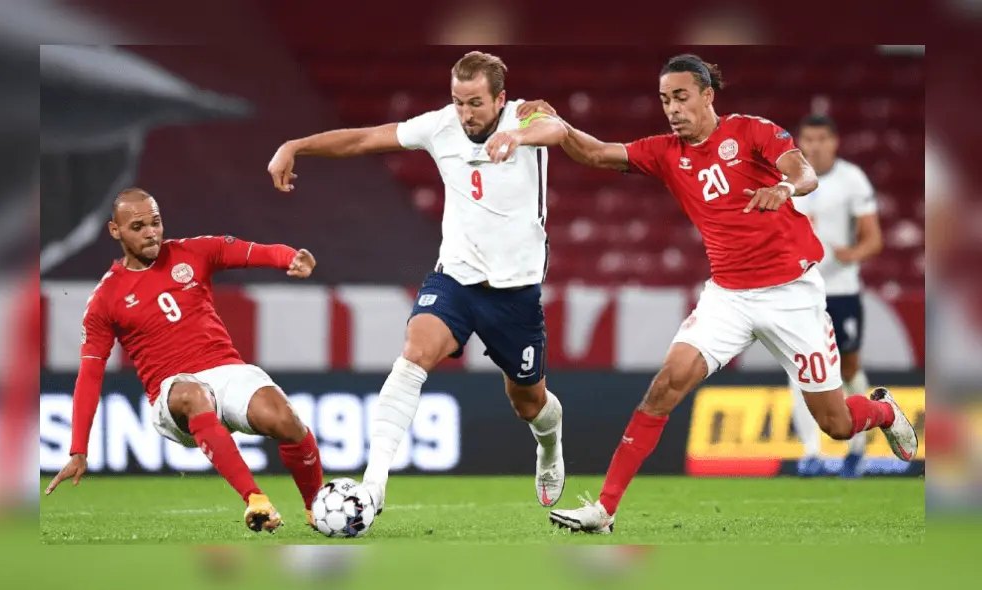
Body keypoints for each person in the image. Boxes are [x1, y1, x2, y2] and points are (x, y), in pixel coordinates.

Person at [516, 53, 918, 534]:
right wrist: (557, 124)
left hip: (792, 295)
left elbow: (805, 172)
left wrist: (786, 188)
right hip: (728, 297)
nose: (672, 109)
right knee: (664, 387)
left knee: (834, 423)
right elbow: (598, 153)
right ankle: (604, 510)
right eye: (665, 100)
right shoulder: (666, 152)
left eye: (681, 97)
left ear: (708, 95)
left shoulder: (751, 132)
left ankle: (883, 411)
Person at [267, 51, 569, 514]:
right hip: (456, 279)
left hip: (515, 292)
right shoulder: (440, 125)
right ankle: (374, 484)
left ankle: (548, 445)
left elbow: (556, 129)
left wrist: (519, 135)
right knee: (414, 353)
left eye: (475, 103)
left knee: (528, 403)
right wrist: (296, 145)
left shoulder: (527, 113)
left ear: (500, 99)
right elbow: (366, 139)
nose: (465, 114)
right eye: (458, 101)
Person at [44, 188, 323, 534]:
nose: (151, 232)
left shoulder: (193, 252)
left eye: (156, 222)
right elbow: (90, 376)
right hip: (171, 393)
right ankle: (256, 500)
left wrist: (289, 258)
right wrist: (78, 449)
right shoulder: (105, 299)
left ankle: (318, 511)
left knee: (286, 419)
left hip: (226, 371)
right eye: (138, 226)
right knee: (192, 392)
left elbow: (252, 252)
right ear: (115, 231)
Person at [789, 114, 883, 478]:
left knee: (848, 368)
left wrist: (852, 254)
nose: (814, 146)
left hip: (842, 290)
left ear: (834, 142)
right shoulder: (788, 178)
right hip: (800, 291)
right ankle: (810, 453)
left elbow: (873, 238)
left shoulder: (851, 179)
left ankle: (857, 450)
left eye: (821, 139)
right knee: (800, 368)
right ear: (800, 141)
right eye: (807, 139)